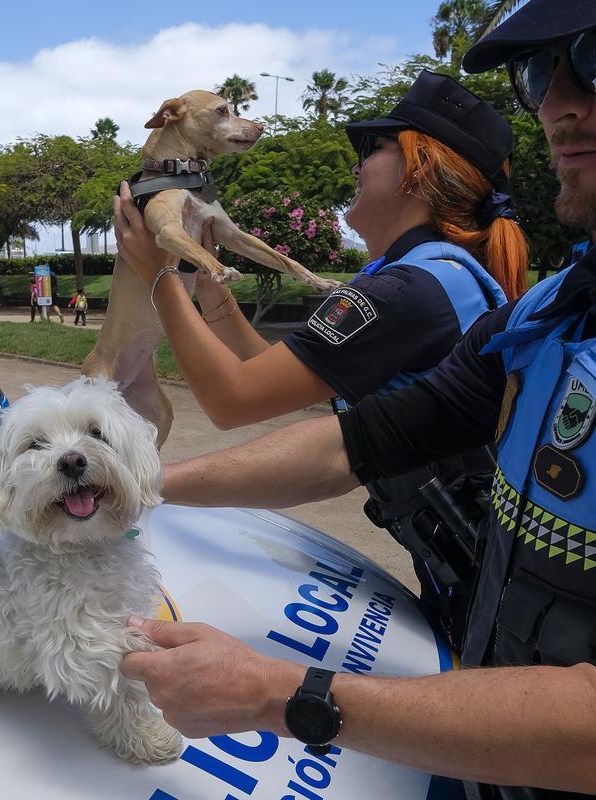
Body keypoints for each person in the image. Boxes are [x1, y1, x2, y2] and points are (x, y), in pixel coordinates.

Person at [120, 2, 596, 799]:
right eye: (539, 71)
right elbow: (356, 443)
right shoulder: (552, 314)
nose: (558, 105)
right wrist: (144, 488)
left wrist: (274, 696)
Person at [115, 70, 529, 648]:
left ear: (419, 171)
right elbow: (271, 372)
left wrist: (157, 271)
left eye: (372, 148)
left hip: (491, 583)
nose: (356, 165)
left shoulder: (407, 293)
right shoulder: (434, 276)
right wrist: (209, 283)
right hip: (483, 566)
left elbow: (234, 400)